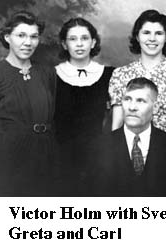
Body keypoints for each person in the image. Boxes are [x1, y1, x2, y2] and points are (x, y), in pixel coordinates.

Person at [0, 10, 57, 196]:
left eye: (34, 36)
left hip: (44, 155)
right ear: (7, 37)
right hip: (8, 158)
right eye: (21, 35)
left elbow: (53, 115)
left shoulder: (47, 73)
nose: (28, 42)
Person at [87, 77, 166, 196]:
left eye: (140, 101)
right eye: (127, 99)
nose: (132, 107)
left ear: (155, 107)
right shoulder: (99, 146)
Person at [109, 9, 166, 157]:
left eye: (159, 33)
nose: (152, 39)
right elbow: (117, 124)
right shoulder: (120, 74)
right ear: (137, 36)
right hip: (131, 154)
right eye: (146, 33)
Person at [54, 17, 114, 195]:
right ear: (65, 44)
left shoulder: (110, 75)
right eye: (73, 39)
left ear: (93, 42)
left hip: (99, 159)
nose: (79, 44)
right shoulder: (52, 75)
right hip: (60, 159)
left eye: (84, 38)